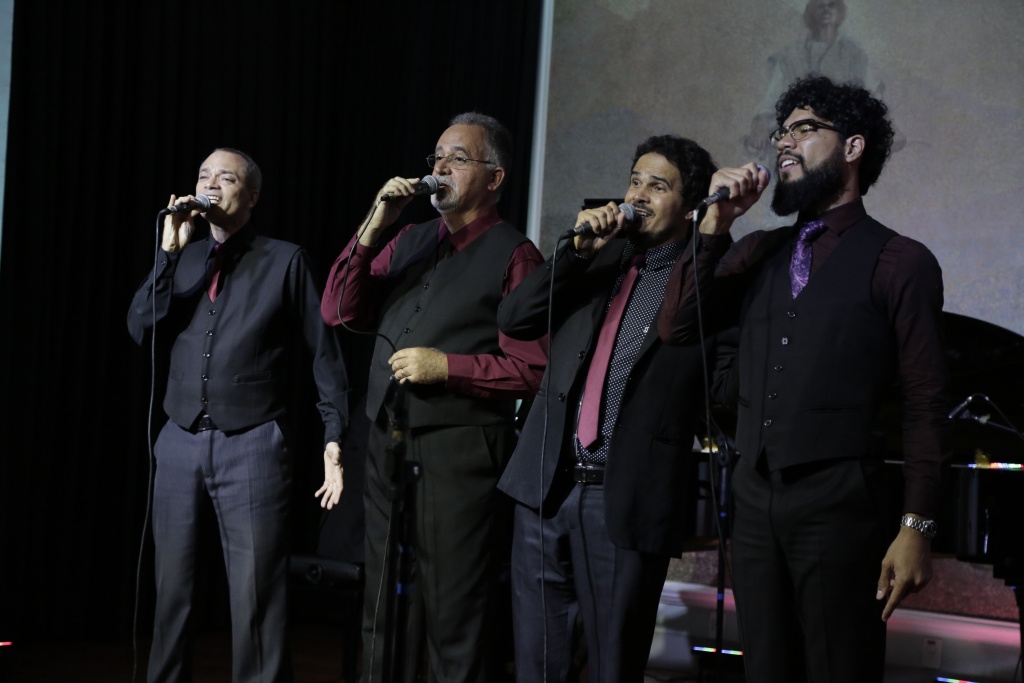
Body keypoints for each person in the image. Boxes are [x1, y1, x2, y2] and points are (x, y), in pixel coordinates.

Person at [661, 75, 949, 681]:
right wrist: (714, 228)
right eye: (781, 131)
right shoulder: (756, 251)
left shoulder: (900, 261)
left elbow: (926, 402)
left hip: (841, 502)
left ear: (853, 147)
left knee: (838, 667)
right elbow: (678, 328)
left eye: (805, 128)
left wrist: (916, 526)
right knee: (766, 667)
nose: (784, 142)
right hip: (754, 498)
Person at [496, 135, 765, 682]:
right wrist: (574, 251)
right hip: (546, 487)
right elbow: (515, 319)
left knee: (612, 664)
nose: (638, 195)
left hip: (624, 498)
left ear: (690, 208)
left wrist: (712, 238)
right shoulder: (598, 258)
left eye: (657, 186)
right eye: (634, 181)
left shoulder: (708, 281)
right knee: (536, 665)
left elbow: (723, 386)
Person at [320, 112, 546, 682]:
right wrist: (375, 224)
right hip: (388, 442)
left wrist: (448, 367)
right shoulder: (411, 239)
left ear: (494, 177)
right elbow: (338, 309)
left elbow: (531, 369)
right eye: (437, 156)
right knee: (382, 607)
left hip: (460, 450)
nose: (441, 167)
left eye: (458, 158)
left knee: (453, 615)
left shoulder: (515, 255)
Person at [127, 147, 349, 683]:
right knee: (172, 594)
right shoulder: (184, 257)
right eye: (204, 175)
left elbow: (324, 354)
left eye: (225, 178)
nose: (210, 185)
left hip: (251, 443)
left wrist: (334, 435)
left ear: (251, 197)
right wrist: (167, 255)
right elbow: (139, 327)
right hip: (179, 438)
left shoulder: (285, 260)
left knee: (256, 600)